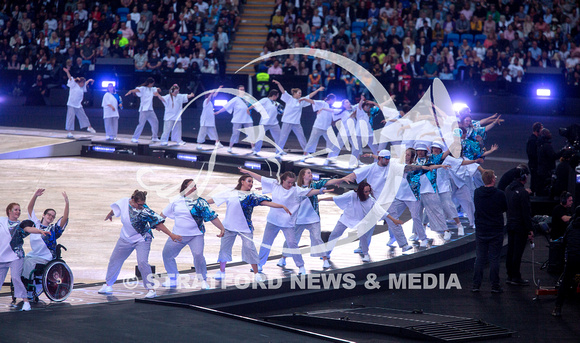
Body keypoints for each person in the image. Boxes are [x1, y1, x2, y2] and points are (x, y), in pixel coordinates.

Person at [240, 168, 331, 275]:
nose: (290, 184)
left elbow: (310, 192)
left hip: (287, 223)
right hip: (273, 221)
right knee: (266, 243)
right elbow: (261, 178)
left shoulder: (296, 190)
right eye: (289, 182)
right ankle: (259, 264)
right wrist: (249, 172)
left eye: (292, 182)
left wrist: (321, 191)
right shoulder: (275, 185)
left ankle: (301, 266)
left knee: (292, 244)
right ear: (283, 180)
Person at [207, 171, 291, 281]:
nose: (251, 183)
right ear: (242, 181)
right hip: (228, 227)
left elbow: (266, 202)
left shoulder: (252, 196)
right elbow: (213, 199)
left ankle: (256, 273)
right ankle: (221, 271)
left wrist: (281, 206)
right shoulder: (230, 193)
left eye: (252, 182)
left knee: (250, 248)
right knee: (224, 249)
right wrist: (202, 203)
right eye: (249, 181)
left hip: (245, 228)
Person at [99, 190, 182, 298]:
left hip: (142, 239)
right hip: (125, 239)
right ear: (133, 200)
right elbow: (116, 209)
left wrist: (171, 235)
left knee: (142, 262)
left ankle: (151, 289)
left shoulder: (145, 210)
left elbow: (159, 223)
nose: (141, 206)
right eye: (139, 204)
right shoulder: (124, 202)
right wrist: (110, 214)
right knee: (115, 260)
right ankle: (108, 284)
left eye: (143, 204)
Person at [277, 168, 348, 269]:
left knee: (317, 238)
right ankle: (283, 258)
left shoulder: (314, 185)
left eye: (311, 173)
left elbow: (326, 182)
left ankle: (325, 260)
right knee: (292, 239)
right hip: (298, 219)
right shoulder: (295, 187)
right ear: (303, 175)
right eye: (308, 173)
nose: (311, 174)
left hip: (313, 218)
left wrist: (341, 179)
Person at [161, 179, 225, 289]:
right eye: (192, 186)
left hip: (196, 235)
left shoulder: (201, 202)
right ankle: (173, 278)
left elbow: (212, 216)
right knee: (167, 255)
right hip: (178, 235)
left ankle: (203, 279)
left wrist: (222, 228)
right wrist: (154, 224)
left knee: (198, 255)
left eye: (195, 186)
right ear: (185, 187)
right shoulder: (176, 200)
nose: (194, 188)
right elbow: (163, 215)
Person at [321, 181, 403, 262]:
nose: (368, 193)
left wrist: (394, 220)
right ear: (360, 191)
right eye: (365, 192)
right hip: (346, 217)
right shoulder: (352, 195)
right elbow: (336, 198)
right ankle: (327, 253)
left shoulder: (371, 200)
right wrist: (321, 199)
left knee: (363, 236)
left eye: (369, 191)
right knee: (334, 234)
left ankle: (365, 254)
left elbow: (381, 211)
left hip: (361, 220)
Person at [1, 203, 50, 311]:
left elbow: (28, 229)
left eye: (19, 210)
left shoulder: (20, 225)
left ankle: (26, 302)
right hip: (2, 257)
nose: (18, 212)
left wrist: (40, 231)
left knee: (15, 277)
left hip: (16, 256)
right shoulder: (1, 221)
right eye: (15, 210)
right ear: (9, 211)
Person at [22, 189, 70, 287]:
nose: (50, 217)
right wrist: (35, 196)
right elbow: (30, 208)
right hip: (34, 254)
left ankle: (26, 285)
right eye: (49, 214)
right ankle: (21, 283)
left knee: (29, 263)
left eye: (53, 216)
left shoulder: (53, 229)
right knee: (21, 261)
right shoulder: (35, 223)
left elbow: (64, 218)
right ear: (43, 215)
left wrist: (67, 202)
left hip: (45, 257)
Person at [473, 169, 508, 293]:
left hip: (481, 229)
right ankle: (494, 285)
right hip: (495, 229)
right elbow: (504, 208)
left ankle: (476, 285)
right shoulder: (499, 194)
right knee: (494, 258)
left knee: (480, 257)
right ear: (493, 179)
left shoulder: (477, 192)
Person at [272, 80, 323, 156]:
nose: (300, 94)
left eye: (301, 93)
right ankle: (278, 151)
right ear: (294, 93)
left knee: (302, 138)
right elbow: (283, 91)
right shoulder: (289, 98)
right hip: (287, 121)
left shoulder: (301, 101)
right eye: (299, 93)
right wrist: (279, 83)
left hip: (296, 123)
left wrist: (318, 90)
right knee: (283, 137)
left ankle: (306, 152)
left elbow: (310, 96)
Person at [505, 168, 534, 286]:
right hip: (520, 226)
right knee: (517, 252)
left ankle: (510, 275)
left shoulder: (507, 189)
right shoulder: (523, 193)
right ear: (523, 177)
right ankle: (516, 276)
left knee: (510, 250)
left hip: (510, 223)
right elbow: (525, 213)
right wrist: (530, 229)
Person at [552, 206, 580, 317]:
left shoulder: (570, 226)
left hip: (572, 258)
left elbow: (564, 242)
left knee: (565, 282)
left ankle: (557, 307)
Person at [213, 85, 254, 153]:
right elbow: (226, 107)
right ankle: (230, 147)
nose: (242, 91)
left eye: (243, 89)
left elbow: (256, 105)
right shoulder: (235, 99)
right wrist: (218, 112)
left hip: (248, 119)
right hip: (237, 119)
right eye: (241, 89)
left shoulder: (248, 99)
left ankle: (253, 148)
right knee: (235, 134)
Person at [300, 94, 337, 163]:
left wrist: (333, 122)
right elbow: (313, 101)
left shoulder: (331, 107)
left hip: (327, 128)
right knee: (312, 141)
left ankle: (329, 157)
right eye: (334, 100)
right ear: (331, 99)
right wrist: (304, 99)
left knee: (332, 142)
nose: (334, 102)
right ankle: (304, 155)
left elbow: (331, 117)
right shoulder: (322, 103)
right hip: (318, 126)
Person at [63, 67, 96, 138]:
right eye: (82, 83)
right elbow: (70, 78)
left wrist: (89, 80)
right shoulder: (73, 85)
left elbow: (85, 83)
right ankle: (69, 132)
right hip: (71, 104)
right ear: (79, 82)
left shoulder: (82, 87)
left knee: (83, 116)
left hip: (78, 105)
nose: (83, 84)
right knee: (70, 118)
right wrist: (67, 72)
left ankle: (89, 127)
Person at [125, 77, 161, 143]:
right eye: (152, 83)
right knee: (141, 124)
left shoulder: (152, 89)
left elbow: (157, 89)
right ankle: (134, 138)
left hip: (150, 110)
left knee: (155, 122)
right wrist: (130, 91)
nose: (152, 85)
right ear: (149, 83)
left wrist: (158, 89)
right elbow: (136, 90)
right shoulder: (143, 88)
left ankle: (155, 137)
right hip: (144, 110)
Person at [248, 89, 281, 156]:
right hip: (264, 122)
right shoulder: (265, 100)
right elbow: (255, 104)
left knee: (278, 137)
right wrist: (249, 109)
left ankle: (279, 151)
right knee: (260, 137)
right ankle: (256, 150)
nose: (277, 97)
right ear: (274, 95)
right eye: (277, 96)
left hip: (274, 123)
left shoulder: (276, 103)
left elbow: (282, 111)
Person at [197, 86, 223, 150]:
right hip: (205, 120)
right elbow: (209, 98)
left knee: (214, 131)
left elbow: (214, 95)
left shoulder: (211, 102)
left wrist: (219, 89)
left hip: (210, 120)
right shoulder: (206, 101)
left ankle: (217, 142)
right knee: (202, 133)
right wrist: (211, 93)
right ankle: (198, 144)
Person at [526, 122, 543, 195]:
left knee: (535, 181)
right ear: (538, 130)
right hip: (534, 164)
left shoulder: (535, 139)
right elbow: (531, 153)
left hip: (534, 164)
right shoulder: (533, 140)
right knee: (534, 181)